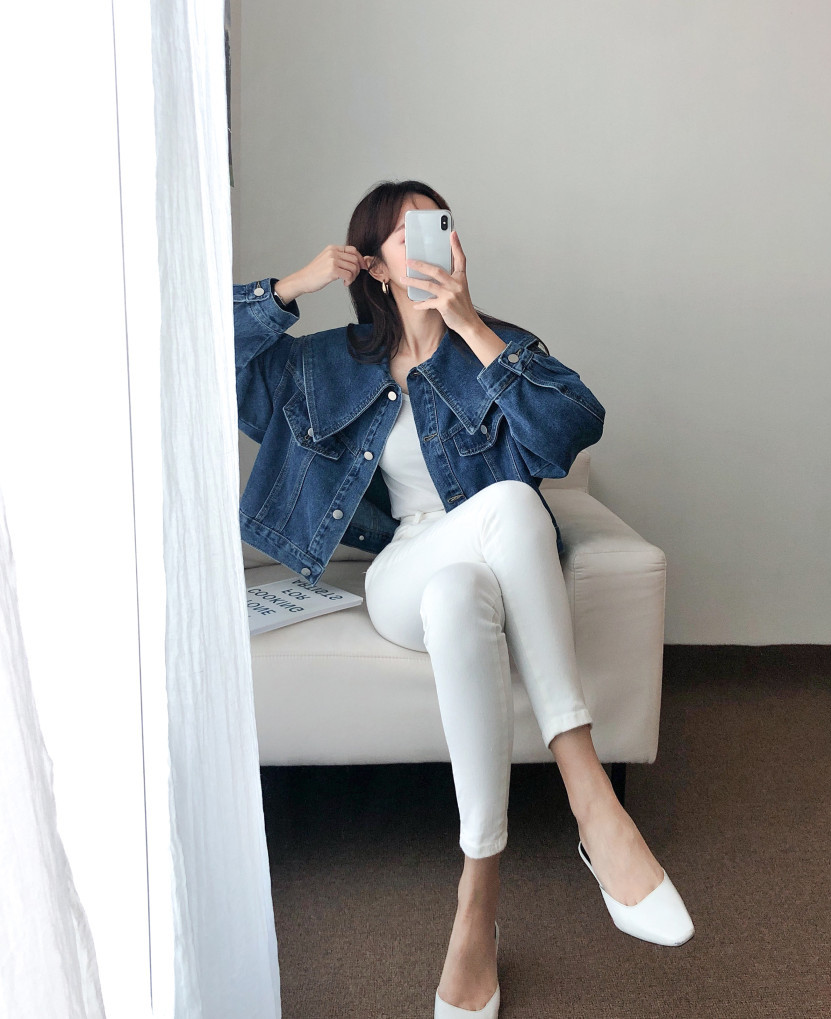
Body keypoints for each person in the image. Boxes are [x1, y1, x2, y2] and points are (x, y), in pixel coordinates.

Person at [233, 180, 693, 1018]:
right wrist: (296, 285)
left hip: (483, 576)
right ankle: (590, 796)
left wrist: (472, 326)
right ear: (374, 265)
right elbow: (208, 361)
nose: (430, 243)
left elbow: (574, 426)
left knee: (461, 592)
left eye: (438, 226)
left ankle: (475, 902)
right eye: (406, 234)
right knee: (505, 508)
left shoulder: (496, 343)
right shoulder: (328, 364)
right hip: (398, 571)